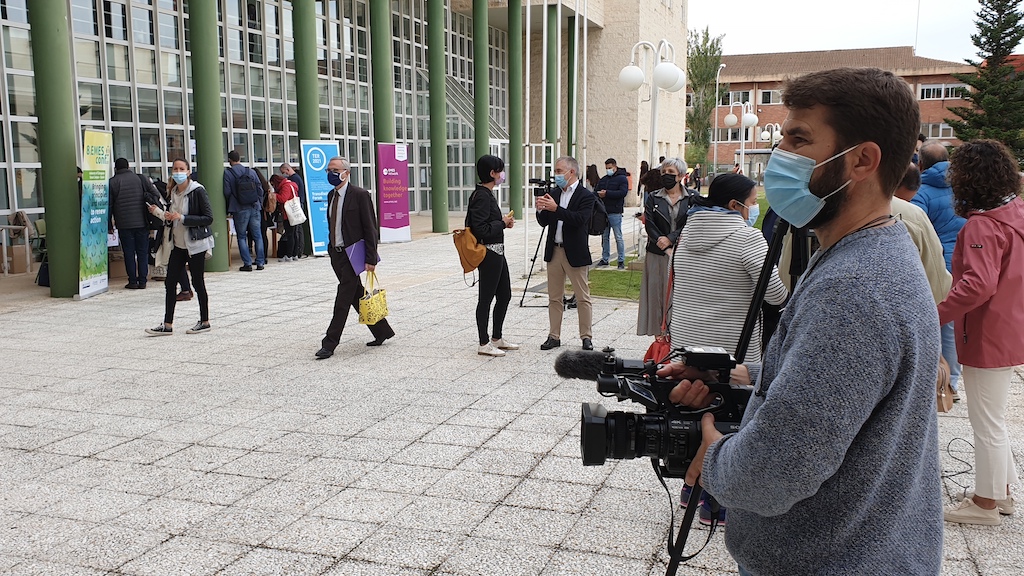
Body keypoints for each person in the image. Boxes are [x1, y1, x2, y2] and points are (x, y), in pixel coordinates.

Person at [664, 68, 942, 575]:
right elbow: (836, 393)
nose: (779, 156)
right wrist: (736, 378)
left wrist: (715, 456)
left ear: (862, 160)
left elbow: (773, 474)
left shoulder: (855, 288)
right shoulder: (860, 253)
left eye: (798, 139)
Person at [939, 139, 1024, 526]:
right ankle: (999, 492)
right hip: (1009, 325)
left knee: (986, 421)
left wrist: (934, 315)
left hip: (986, 331)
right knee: (993, 417)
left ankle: (986, 502)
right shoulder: (1014, 212)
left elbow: (977, 285)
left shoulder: (983, 225)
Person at [315, 156, 395, 359]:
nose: (330, 174)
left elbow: (370, 228)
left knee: (342, 298)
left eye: (335, 170)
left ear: (346, 173)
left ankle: (329, 343)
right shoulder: (331, 195)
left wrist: (371, 258)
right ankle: (382, 331)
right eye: (328, 170)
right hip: (337, 254)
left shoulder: (360, 195)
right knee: (355, 293)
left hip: (353, 255)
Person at [910, 141, 965, 394]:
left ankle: (931, 381)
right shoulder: (963, 186)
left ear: (921, 164)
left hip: (934, 264)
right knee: (951, 324)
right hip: (962, 261)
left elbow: (915, 229)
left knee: (930, 322)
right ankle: (951, 382)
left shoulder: (920, 192)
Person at [145, 158, 214, 336]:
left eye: (181, 169)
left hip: (196, 244)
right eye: (175, 169)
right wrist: (162, 214)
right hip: (177, 244)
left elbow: (208, 217)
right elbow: (172, 218)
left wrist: (182, 218)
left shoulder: (197, 191)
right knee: (170, 282)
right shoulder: (173, 192)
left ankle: (205, 321)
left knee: (197, 282)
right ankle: (167, 324)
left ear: (188, 171)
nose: (178, 172)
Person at [535, 155, 595, 351]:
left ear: (572, 172)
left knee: (582, 297)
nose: (556, 175)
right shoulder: (554, 193)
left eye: (559, 171)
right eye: (556, 171)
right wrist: (540, 209)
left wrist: (556, 209)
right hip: (555, 251)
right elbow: (544, 222)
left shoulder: (586, 196)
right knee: (554, 297)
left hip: (575, 252)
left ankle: (586, 337)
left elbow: (579, 220)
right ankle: (554, 336)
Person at [467, 154, 519, 357]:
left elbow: (489, 223)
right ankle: (483, 342)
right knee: (486, 298)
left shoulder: (487, 194)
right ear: (492, 173)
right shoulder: (482, 196)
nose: (502, 175)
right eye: (500, 171)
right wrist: (501, 223)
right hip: (489, 253)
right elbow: (480, 228)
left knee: (505, 295)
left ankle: (497, 337)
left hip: (498, 252)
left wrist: (503, 222)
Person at [636, 157, 694, 336]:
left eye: (671, 172)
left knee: (679, 296)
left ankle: (678, 335)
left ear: (681, 176)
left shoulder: (693, 198)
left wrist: (671, 239)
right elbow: (650, 224)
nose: (666, 175)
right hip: (657, 253)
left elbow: (692, 223)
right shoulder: (654, 197)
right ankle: (659, 337)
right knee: (657, 296)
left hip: (683, 253)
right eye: (664, 172)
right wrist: (663, 243)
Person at [109, 157, 160, 290]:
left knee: (129, 253)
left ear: (116, 168)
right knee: (142, 252)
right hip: (142, 222)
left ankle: (132, 281)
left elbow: (109, 206)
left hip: (124, 224)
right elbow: (155, 194)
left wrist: (109, 225)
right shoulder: (141, 178)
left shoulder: (112, 182)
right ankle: (142, 281)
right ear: (128, 167)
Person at [223, 150, 265, 272]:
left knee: (241, 236)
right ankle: (260, 262)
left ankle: (247, 263)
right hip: (254, 206)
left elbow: (227, 192)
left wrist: (231, 204)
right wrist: (258, 202)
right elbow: (260, 188)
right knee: (258, 235)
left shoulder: (228, 173)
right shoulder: (250, 171)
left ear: (229, 160)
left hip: (239, 208)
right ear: (240, 159)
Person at [596, 158, 629, 269]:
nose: (608, 170)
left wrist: (607, 193)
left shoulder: (622, 179)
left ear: (615, 166)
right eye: (606, 168)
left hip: (615, 211)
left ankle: (621, 260)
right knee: (604, 237)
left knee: (618, 237)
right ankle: (605, 259)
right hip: (604, 212)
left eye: (610, 168)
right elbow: (596, 191)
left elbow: (622, 192)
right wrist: (599, 194)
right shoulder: (604, 179)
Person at [270, 174, 301, 262]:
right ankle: (295, 254)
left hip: (288, 214)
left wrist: (274, 195)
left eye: (273, 184)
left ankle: (289, 255)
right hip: (294, 212)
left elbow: (283, 198)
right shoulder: (292, 184)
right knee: (294, 234)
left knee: (290, 234)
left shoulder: (285, 186)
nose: (273, 187)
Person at [280, 163, 308, 258]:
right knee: (296, 230)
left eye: (283, 172)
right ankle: (297, 251)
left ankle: (297, 251)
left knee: (295, 231)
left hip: (295, 206)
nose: (284, 175)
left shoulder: (293, 179)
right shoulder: (297, 178)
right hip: (298, 204)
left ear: (287, 170)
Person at [254, 168, 275, 262]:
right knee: (263, 235)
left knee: (257, 236)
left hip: (258, 213)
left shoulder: (255, 187)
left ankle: (259, 256)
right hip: (265, 214)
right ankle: (264, 256)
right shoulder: (266, 187)